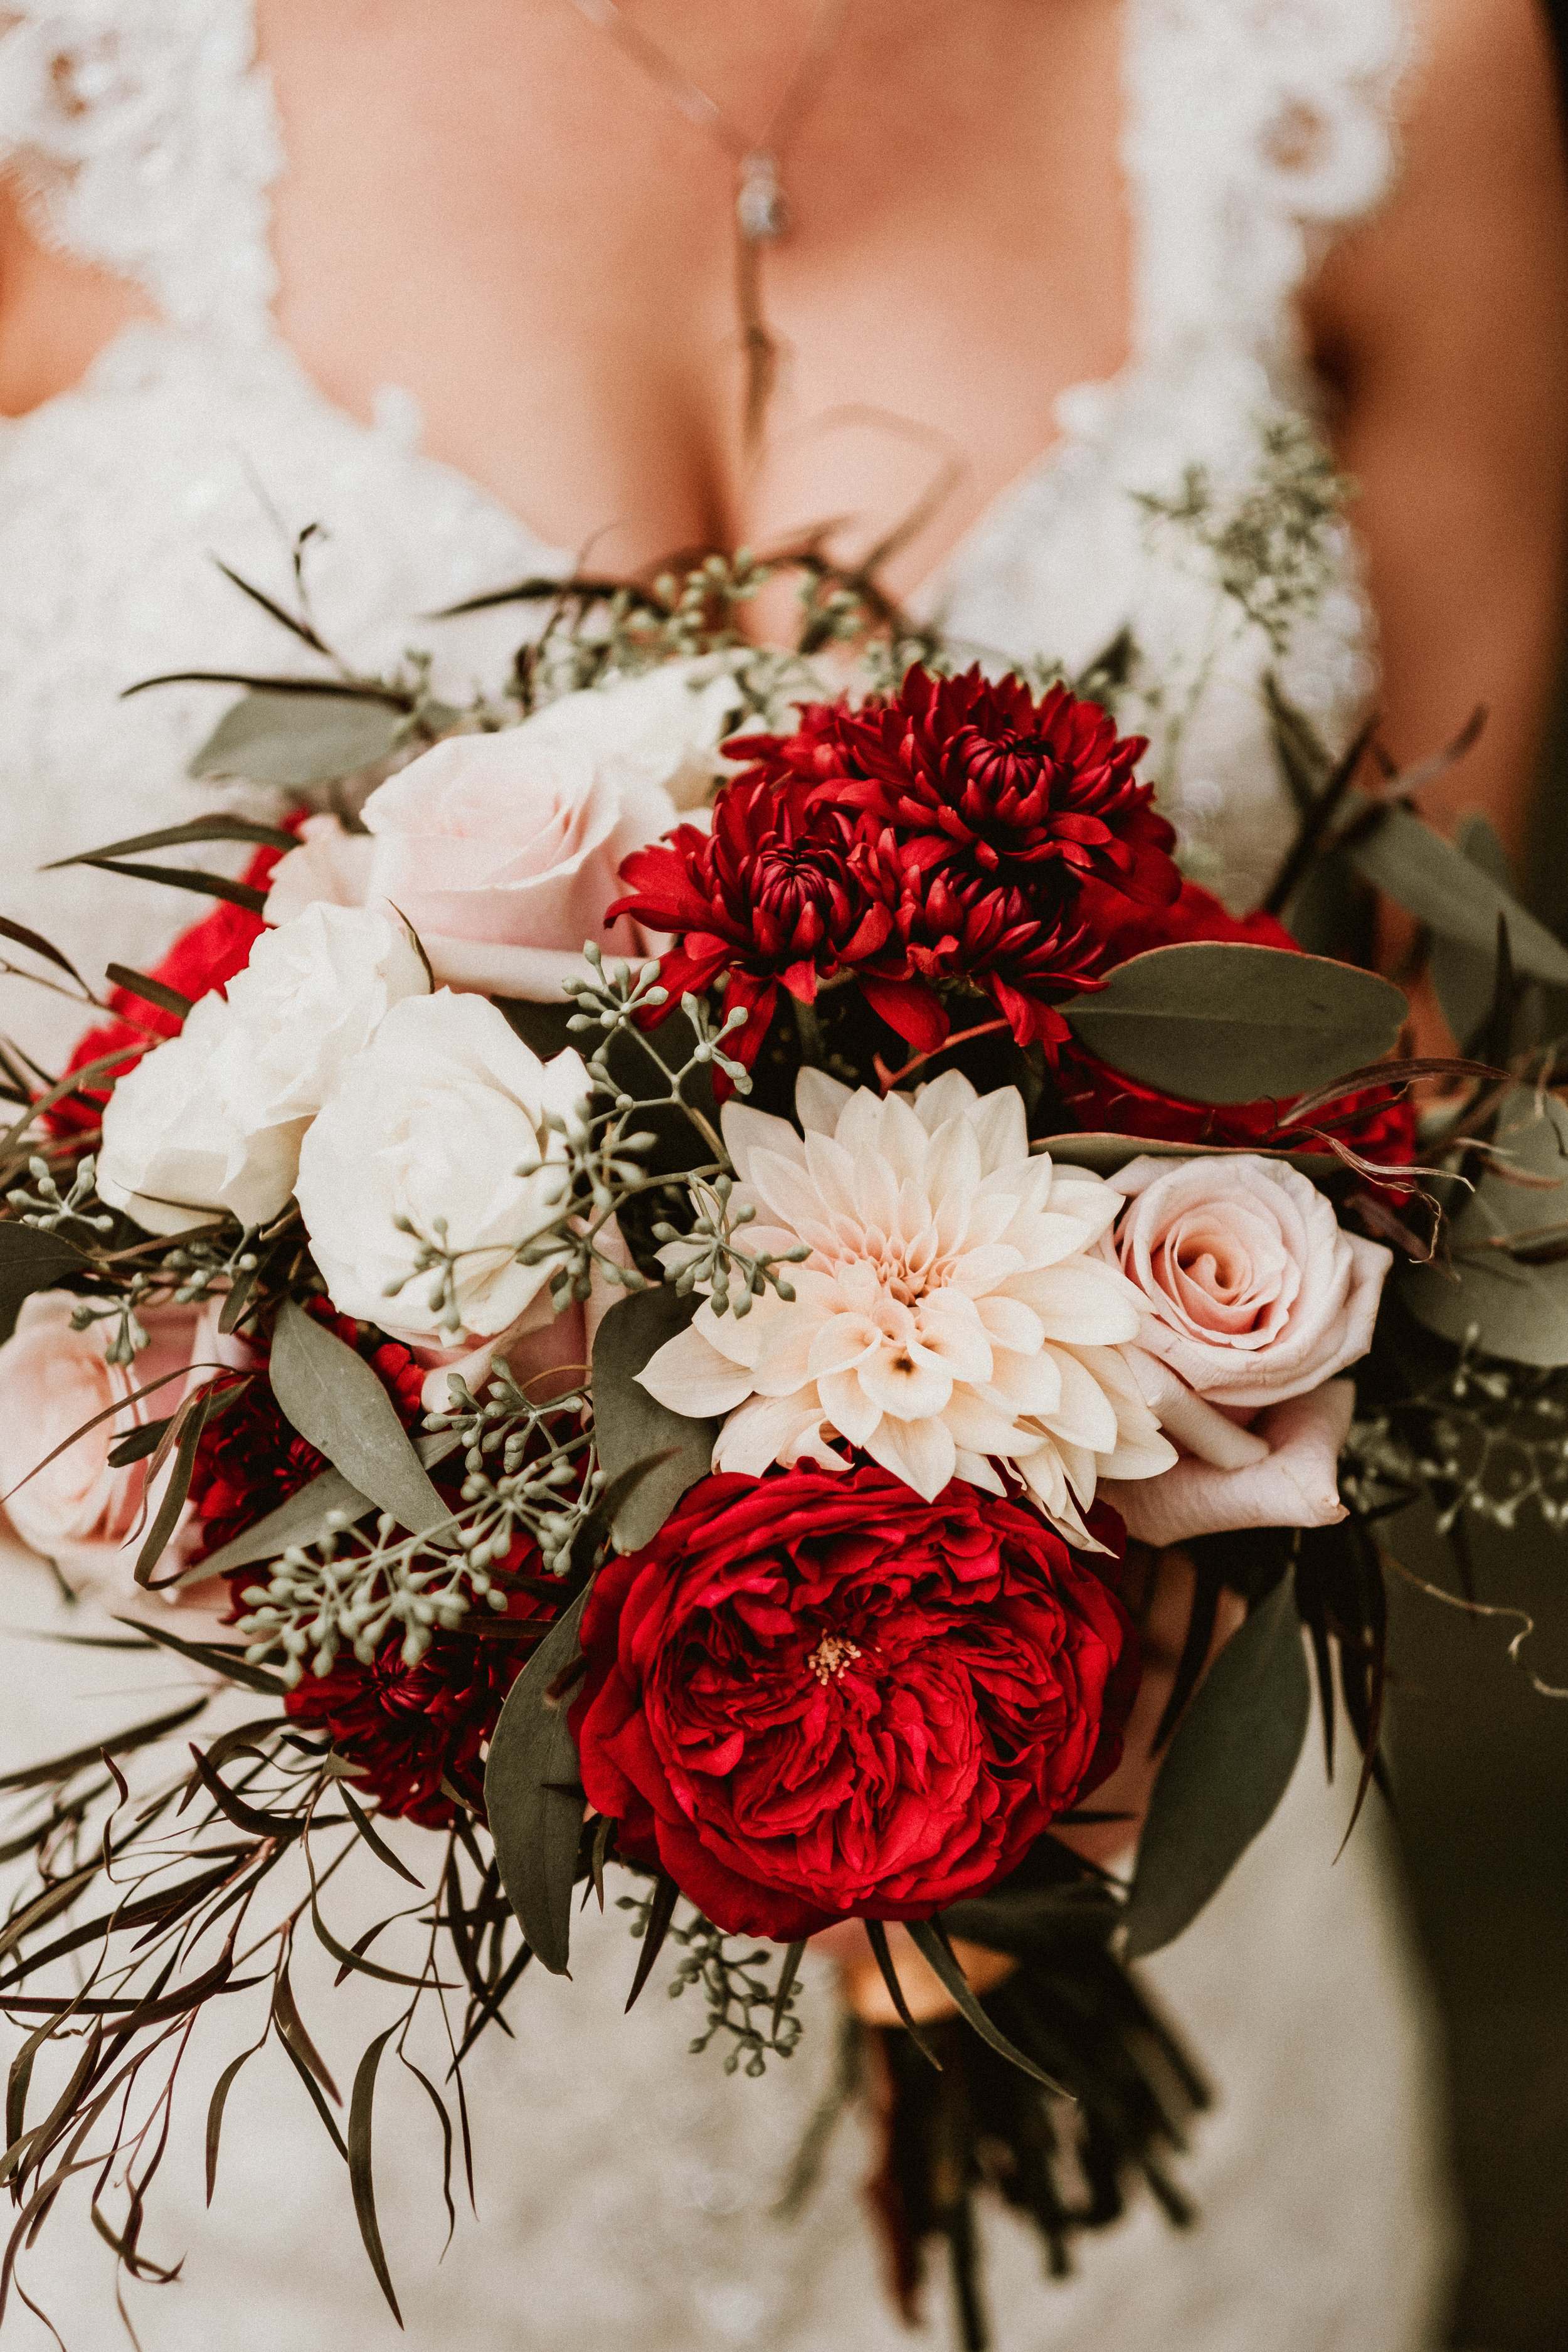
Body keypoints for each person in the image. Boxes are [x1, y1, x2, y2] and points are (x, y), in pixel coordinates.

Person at [0, 3, 1564, 2346]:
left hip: (1105, 1846)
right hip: (236, 2016)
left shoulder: (1376, 51)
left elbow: (1414, 1035)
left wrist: (1041, 1542)